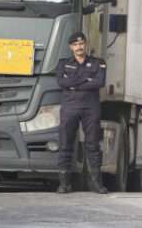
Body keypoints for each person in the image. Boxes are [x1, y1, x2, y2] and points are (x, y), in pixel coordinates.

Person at [55, 31, 108, 194]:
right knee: (65, 144)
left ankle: (96, 184)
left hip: (90, 108)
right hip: (70, 107)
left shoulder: (98, 63)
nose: (79, 47)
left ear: (86, 44)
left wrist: (73, 84)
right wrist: (86, 80)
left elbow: (99, 82)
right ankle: (64, 184)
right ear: (71, 47)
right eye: (75, 44)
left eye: (81, 43)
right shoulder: (63, 64)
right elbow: (61, 82)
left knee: (92, 145)